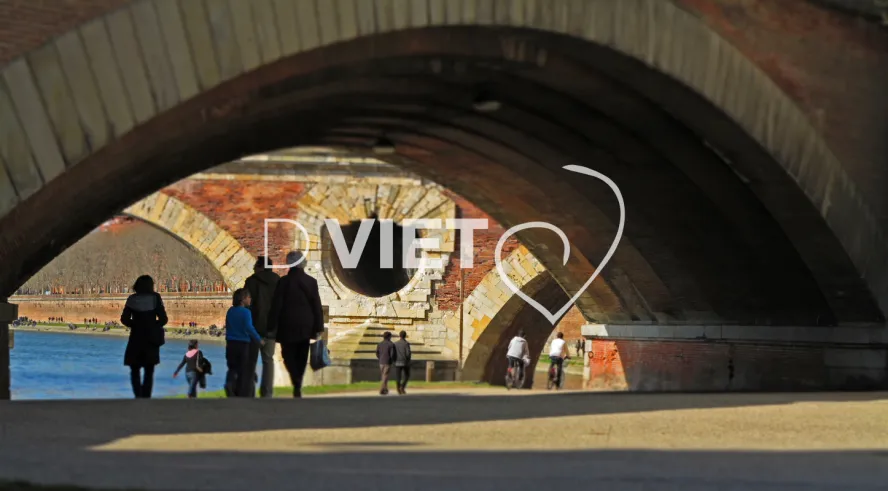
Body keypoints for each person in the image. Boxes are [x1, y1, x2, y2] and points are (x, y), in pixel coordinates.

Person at [269, 251, 324, 398]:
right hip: (306, 325)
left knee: (287, 355)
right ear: (302, 263)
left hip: (287, 325)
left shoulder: (283, 282)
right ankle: (298, 382)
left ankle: (296, 379)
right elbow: (316, 306)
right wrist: (319, 327)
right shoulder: (311, 282)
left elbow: (276, 306)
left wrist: (271, 325)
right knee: (301, 355)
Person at [120, 275, 168, 398]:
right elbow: (163, 319)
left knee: (134, 369)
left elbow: (124, 319)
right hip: (150, 338)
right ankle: (146, 396)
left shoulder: (132, 299)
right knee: (149, 369)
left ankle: (138, 395)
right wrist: (153, 325)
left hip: (136, 337)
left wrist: (135, 325)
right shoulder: (155, 298)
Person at [244, 256, 280, 399]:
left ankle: (249, 392)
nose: (253, 269)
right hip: (271, 328)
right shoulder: (278, 282)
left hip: (254, 327)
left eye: (255, 266)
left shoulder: (251, 282)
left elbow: (245, 305)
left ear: (260, 267)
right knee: (268, 360)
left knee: (251, 361)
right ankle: (267, 393)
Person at [225, 288, 264, 397]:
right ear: (243, 299)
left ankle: (229, 383)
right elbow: (249, 328)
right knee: (242, 369)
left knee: (232, 367)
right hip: (242, 344)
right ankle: (240, 392)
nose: (250, 299)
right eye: (248, 297)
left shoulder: (230, 311)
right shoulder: (246, 312)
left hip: (230, 343)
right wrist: (258, 339)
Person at [376, 331, 396, 395]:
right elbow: (392, 354)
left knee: (383, 375)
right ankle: (382, 389)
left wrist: (380, 358)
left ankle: (385, 389)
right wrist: (392, 360)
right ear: (389, 337)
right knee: (385, 375)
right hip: (388, 362)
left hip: (381, 362)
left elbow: (377, 353)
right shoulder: (391, 344)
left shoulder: (379, 344)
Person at [393, 330, 412, 395]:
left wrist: (394, 360)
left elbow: (393, 353)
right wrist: (408, 360)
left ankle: (398, 389)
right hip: (405, 362)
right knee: (407, 375)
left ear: (399, 336)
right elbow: (408, 353)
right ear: (405, 336)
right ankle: (402, 387)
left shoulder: (395, 344)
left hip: (397, 362)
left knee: (398, 377)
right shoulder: (406, 343)